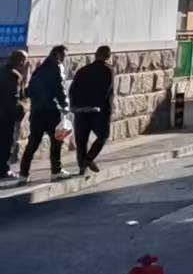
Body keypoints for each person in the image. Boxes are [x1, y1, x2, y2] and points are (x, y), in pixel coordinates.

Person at [19, 44, 69, 180]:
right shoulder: (57, 67)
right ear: (58, 54)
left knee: (33, 143)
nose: (64, 58)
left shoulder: (39, 69)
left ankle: (23, 174)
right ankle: (56, 171)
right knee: (56, 142)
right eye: (64, 55)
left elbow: (29, 91)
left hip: (37, 111)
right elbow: (60, 89)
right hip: (52, 111)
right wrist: (65, 105)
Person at [69, 45, 116, 175]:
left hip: (81, 110)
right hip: (99, 110)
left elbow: (72, 89)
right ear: (108, 56)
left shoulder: (83, 70)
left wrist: (74, 106)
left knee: (81, 140)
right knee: (103, 135)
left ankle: (82, 167)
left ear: (96, 55)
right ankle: (88, 159)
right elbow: (107, 90)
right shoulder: (108, 70)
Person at [0, 50, 25, 179]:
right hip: (7, 115)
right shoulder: (15, 75)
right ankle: (3, 170)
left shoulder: (1, 71)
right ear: (20, 61)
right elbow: (15, 97)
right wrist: (20, 111)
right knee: (7, 142)